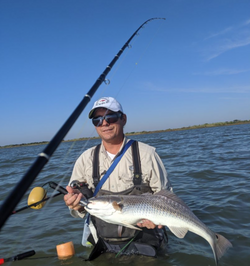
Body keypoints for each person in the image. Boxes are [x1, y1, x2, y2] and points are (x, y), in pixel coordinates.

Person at [64, 96, 172, 258]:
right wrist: (75, 205)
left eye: (110, 117)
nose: (104, 123)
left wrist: (158, 221)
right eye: (97, 120)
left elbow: (167, 198)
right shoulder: (85, 159)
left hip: (146, 243)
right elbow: (77, 208)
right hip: (103, 245)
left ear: (123, 119)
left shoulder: (147, 154)